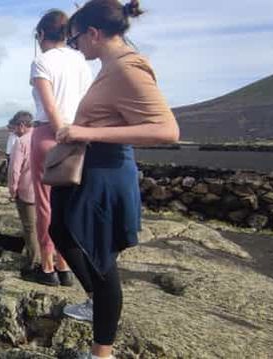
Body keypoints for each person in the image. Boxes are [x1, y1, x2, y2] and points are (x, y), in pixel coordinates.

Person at [50, 1, 180, 358]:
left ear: (93, 33)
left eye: (75, 41)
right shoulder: (109, 67)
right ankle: (94, 301)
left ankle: (101, 353)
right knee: (60, 230)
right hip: (93, 167)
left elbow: (167, 130)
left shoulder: (128, 67)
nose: (75, 48)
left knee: (100, 258)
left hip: (107, 171)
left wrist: (85, 132)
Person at [28, 9, 93, 286]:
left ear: (42, 34)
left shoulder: (42, 61)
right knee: (70, 205)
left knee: (45, 205)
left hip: (49, 133)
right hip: (79, 134)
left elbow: (50, 105)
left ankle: (46, 267)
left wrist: (59, 134)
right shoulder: (82, 62)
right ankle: (66, 266)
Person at [6, 111, 41, 278]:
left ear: (21, 125)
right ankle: (51, 261)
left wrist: (13, 190)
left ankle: (34, 263)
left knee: (30, 228)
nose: (13, 131)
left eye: (14, 127)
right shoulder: (42, 138)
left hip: (27, 191)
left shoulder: (21, 142)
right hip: (46, 189)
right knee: (46, 226)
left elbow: (14, 170)